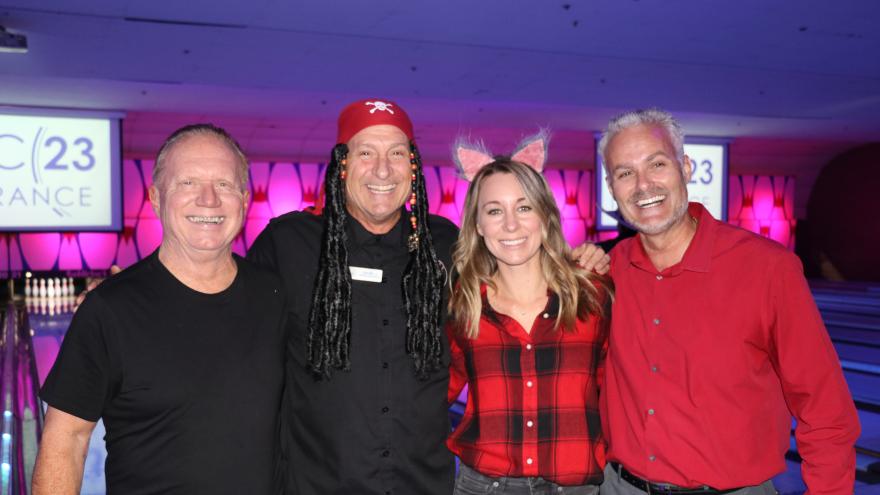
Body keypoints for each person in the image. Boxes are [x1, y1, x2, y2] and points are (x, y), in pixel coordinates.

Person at [247, 99, 609, 494]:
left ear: (413, 165)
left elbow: (516, 277)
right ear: (342, 163)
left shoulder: (447, 248)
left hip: (423, 485)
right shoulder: (287, 246)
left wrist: (578, 262)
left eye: (397, 153)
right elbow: (247, 366)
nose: (382, 169)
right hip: (318, 484)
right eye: (366, 152)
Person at [596, 109, 860, 494]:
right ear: (611, 186)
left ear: (685, 167)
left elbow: (824, 408)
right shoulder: (607, 273)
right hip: (620, 487)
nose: (643, 185)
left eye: (657, 164)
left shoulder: (768, 269)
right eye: (625, 173)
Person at [33, 124, 287, 494]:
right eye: (187, 183)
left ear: (245, 200)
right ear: (155, 197)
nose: (208, 200)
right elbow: (67, 441)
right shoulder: (110, 309)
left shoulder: (276, 296)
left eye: (225, 185)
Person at [445, 135, 614, 494]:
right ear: (477, 225)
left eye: (524, 208)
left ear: (545, 215)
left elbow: (624, 388)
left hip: (577, 487)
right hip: (483, 486)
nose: (510, 225)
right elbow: (429, 392)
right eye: (494, 211)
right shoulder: (464, 305)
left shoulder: (593, 295)